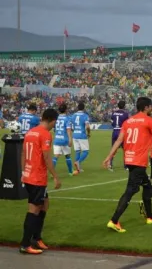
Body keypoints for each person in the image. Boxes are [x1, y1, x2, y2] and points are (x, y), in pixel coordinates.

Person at [102, 97, 152, 233]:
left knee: (147, 187)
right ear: (146, 108)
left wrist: (109, 156)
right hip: (139, 161)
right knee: (130, 190)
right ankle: (114, 220)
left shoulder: (128, 121)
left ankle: (150, 216)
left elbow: (119, 140)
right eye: (150, 107)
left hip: (129, 159)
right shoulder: (149, 121)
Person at [20, 109, 61, 254]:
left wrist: (23, 171)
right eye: (55, 123)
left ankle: (36, 238)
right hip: (37, 177)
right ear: (53, 120)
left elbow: (24, 153)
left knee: (44, 205)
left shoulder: (30, 132)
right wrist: (55, 176)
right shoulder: (45, 134)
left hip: (29, 174)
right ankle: (26, 244)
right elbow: (47, 157)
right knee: (34, 209)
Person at [52, 104, 74, 176]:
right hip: (64, 140)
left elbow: (55, 129)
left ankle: (52, 173)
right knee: (67, 156)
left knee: (55, 157)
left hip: (57, 139)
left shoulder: (56, 118)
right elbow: (68, 130)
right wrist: (70, 139)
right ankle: (70, 172)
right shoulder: (67, 119)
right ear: (66, 110)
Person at [109, 100, 129, 172]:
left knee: (113, 149)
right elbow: (127, 123)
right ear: (124, 106)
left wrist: (114, 125)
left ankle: (110, 164)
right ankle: (126, 166)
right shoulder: (125, 114)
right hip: (121, 132)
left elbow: (111, 121)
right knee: (125, 149)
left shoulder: (114, 113)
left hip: (115, 131)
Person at [71, 102, 90, 174]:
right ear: (84, 108)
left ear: (77, 108)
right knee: (85, 151)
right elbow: (87, 126)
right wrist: (88, 133)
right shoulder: (85, 115)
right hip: (82, 135)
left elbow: (71, 126)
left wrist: (75, 130)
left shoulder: (73, 115)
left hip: (75, 135)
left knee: (77, 151)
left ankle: (78, 169)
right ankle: (78, 162)